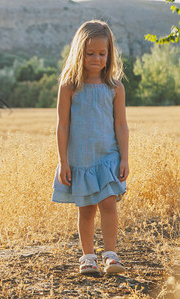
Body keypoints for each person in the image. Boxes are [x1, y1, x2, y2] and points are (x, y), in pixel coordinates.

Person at [51, 20, 129, 275]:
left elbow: (121, 126)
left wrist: (124, 158)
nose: (96, 58)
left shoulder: (115, 87)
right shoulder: (70, 86)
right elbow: (62, 126)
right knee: (86, 211)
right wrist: (63, 161)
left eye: (102, 53)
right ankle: (88, 257)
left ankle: (111, 256)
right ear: (79, 53)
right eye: (90, 53)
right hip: (80, 161)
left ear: (110, 54)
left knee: (109, 205)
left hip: (108, 158)